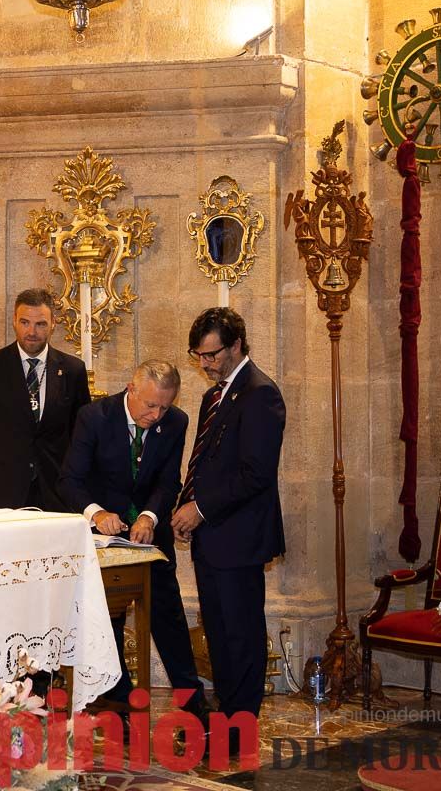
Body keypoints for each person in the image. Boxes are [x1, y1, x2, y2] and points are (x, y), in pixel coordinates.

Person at [59, 360, 208, 721]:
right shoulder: (94, 417)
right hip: (101, 537)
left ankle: (192, 701)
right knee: (107, 619)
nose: (156, 415)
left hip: (148, 537)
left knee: (168, 615)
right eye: (150, 406)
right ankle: (120, 697)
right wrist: (96, 514)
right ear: (131, 389)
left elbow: (168, 481)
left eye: (164, 406)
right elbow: (69, 480)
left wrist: (150, 516)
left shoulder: (176, 423)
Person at [172, 307, 286, 726]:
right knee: (218, 634)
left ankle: (242, 722)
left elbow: (255, 473)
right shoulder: (213, 396)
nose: (204, 363)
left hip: (239, 537)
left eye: (212, 355)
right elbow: (205, 463)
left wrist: (199, 510)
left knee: (240, 635)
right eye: (198, 355)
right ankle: (226, 717)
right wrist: (184, 503)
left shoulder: (260, 393)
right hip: (212, 537)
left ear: (236, 345)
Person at [0, 288, 90, 511]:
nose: (31, 331)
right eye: (24, 322)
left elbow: (80, 431)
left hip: (55, 489)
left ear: (53, 324)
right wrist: (0, 462)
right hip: (3, 489)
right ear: (14, 322)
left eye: (40, 324)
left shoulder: (72, 370)